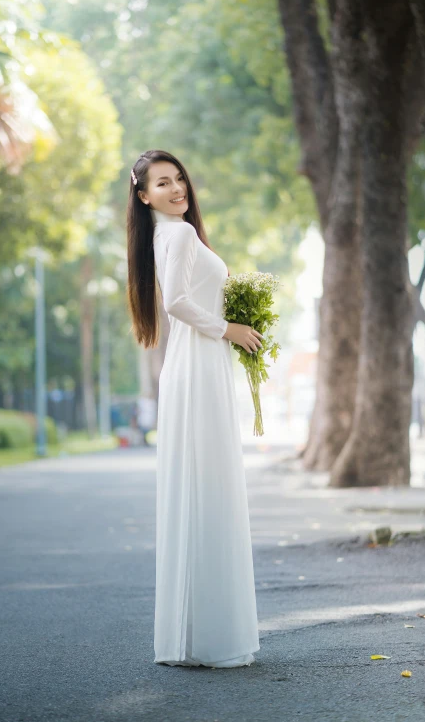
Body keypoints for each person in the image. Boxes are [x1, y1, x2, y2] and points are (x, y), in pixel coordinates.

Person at [126, 149, 263, 669]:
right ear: (144, 196)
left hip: (191, 366)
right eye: (162, 183)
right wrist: (229, 329)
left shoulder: (167, 234)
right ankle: (211, 636)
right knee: (211, 489)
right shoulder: (178, 234)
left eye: (179, 178)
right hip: (197, 367)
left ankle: (191, 636)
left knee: (199, 490)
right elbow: (177, 302)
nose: (177, 188)